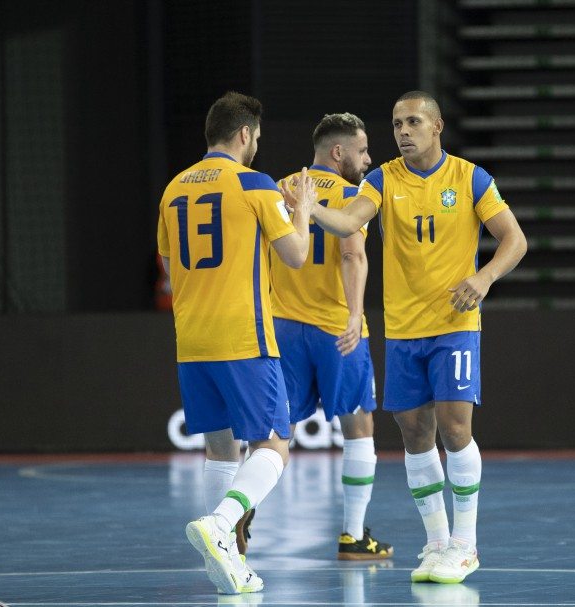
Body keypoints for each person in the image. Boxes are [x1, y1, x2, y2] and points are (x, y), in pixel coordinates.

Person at [282, 91, 527, 584]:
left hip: (454, 325)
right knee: (415, 437)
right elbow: (350, 222)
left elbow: (515, 240)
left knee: (456, 430)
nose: (402, 131)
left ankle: (466, 544)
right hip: (403, 330)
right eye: (396, 123)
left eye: (413, 121)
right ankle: (436, 542)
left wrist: (482, 280)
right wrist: (309, 209)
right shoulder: (380, 179)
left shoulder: (469, 177)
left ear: (437, 126)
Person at [157, 91, 317, 595]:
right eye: (257, 138)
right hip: (244, 334)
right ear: (245, 133)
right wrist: (304, 210)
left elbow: (168, 264)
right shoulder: (255, 183)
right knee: (275, 442)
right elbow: (295, 255)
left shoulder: (172, 189)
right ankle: (223, 526)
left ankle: (227, 565)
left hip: (192, 339)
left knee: (220, 451)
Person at [268, 112, 392, 560]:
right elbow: (353, 255)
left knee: (274, 432)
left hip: (282, 327)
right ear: (338, 153)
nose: (368, 159)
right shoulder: (350, 194)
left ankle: (240, 525)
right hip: (337, 329)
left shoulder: (280, 188)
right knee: (358, 426)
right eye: (361, 150)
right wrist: (356, 316)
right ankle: (353, 535)